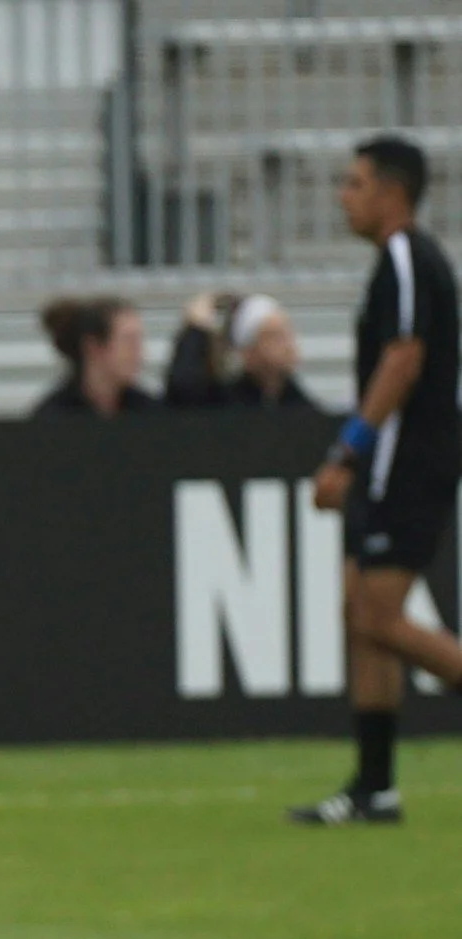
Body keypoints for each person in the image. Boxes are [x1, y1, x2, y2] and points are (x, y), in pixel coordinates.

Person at [294, 136, 462, 825]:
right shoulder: (400, 262)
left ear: (392, 193)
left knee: (378, 615)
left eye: (355, 183)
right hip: (396, 458)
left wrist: (346, 452)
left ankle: (373, 784)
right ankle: (374, 787)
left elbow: (403, 361)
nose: (344, 195)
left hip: (409, 457)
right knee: (360, 611)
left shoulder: (405, 257)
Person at [165, 292, 315, 409]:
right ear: (247, 352)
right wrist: (196, 332)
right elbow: (183, 391)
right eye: (274, 336)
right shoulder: (226, 403)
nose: (288, 345)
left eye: (288, 334)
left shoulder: (296, 401)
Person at [31, 296, 157, 416]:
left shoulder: (151, 412)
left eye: (138, 341)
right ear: (93, 347)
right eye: (128, 341)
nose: (139, 353)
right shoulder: (53, 417)